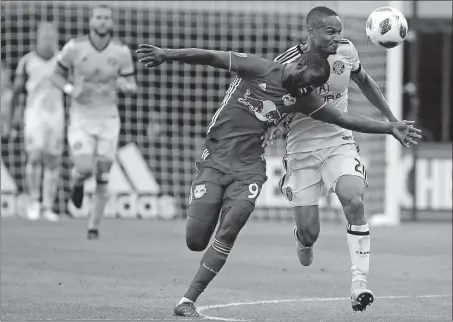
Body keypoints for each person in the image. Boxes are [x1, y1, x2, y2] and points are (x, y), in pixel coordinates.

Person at [136, 44, 421, 317]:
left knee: (229, 230)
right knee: (195, 240)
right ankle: (300, 239)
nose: (303, 88)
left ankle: (187, 300)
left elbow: (344, 119)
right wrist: (166, 54)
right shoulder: (259, 67)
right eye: (305, 81)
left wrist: (389, 127)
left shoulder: (303, 98)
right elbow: (211, 57)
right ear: (297, 65)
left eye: (310, 86)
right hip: (216, 160)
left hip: (250, 170)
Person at [266, 6, 404, 311]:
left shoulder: (346, 52)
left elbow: (365, 81)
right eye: (330, 31)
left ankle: (359, 285)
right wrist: (270, 125)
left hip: (339, 142)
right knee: (310, 232)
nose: (337, 37)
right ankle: (302, 238)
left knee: (354, 200)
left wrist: (392, 119)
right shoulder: (287, 64)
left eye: (339, 31)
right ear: (311, 31)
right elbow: (267, 102)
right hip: (301, 149)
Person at [51, 4, 137, 239]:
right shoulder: (74, 47)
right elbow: (55, 75)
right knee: (85, 168)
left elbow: (132, 85)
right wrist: (70, 89)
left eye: (106, 18)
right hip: (81, 118)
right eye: (98, 17)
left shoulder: (121, 51)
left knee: (103, 175)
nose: (102, 22)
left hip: (108, 118)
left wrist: (125, 86)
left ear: (111, 23)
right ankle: (77, 183)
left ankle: (93, 227)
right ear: (91, 21)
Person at [7, 22, 63, 222]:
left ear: (56, 37)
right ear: (37, 36)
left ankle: (48, 206)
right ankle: (33, 202)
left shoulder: (63, 60)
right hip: (34, 115)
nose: (48, 36)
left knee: (52, 159)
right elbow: (16, 92)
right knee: (35, 156)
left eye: (51, 33)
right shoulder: (27, 61)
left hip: (56, 115)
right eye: (44, 33)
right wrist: (11, 118)